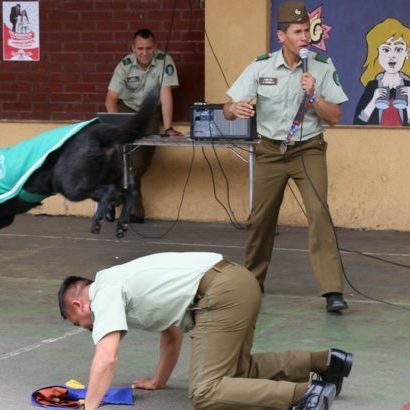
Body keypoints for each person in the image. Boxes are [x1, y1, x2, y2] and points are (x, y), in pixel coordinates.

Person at [58, 252, 354, 409]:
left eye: (78, 322)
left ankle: (305, 395)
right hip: (237, 281)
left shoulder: (103, 291)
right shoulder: (121, 281)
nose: (85, 328)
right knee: (237, 371)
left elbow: (106, 357)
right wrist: (158, 381)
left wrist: (90, 408)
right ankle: (327, 362)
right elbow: (171, 334)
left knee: (205, 392)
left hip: (219, 294)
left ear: (78, 304)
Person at [222, 1, 349, 312]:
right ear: (282, 36)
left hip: (308, 149)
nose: (305, 37)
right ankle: (253, 280)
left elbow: (334, 117)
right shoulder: (261, 66)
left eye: (307, 31)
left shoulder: (322, 66)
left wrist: (314, 96)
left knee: (319, 212)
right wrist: (234, 109)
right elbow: (227, 108)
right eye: (297, 32)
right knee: (260, 218)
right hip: (270, 151)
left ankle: (332, 290)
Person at [105, 28, 182, 223]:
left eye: (149, 48)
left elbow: (166, 94)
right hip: (126, 110)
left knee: (140, 163)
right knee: (124, 160)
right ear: (133, 48)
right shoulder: (125, 65)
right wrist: (116, 126)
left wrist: (168, 127)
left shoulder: (164, 61)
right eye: (140, 48)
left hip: (149, 113)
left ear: (155, 47)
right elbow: (111, 99)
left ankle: (112, 196)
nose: (145, 53)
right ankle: (135, 212)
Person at [354, 18, 410, 126]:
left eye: (399, 49)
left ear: (407, 53)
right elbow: (357, 124)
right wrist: (372, 102)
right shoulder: (372, 86)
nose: (392, 55)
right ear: (377, 52)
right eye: (386, 50)